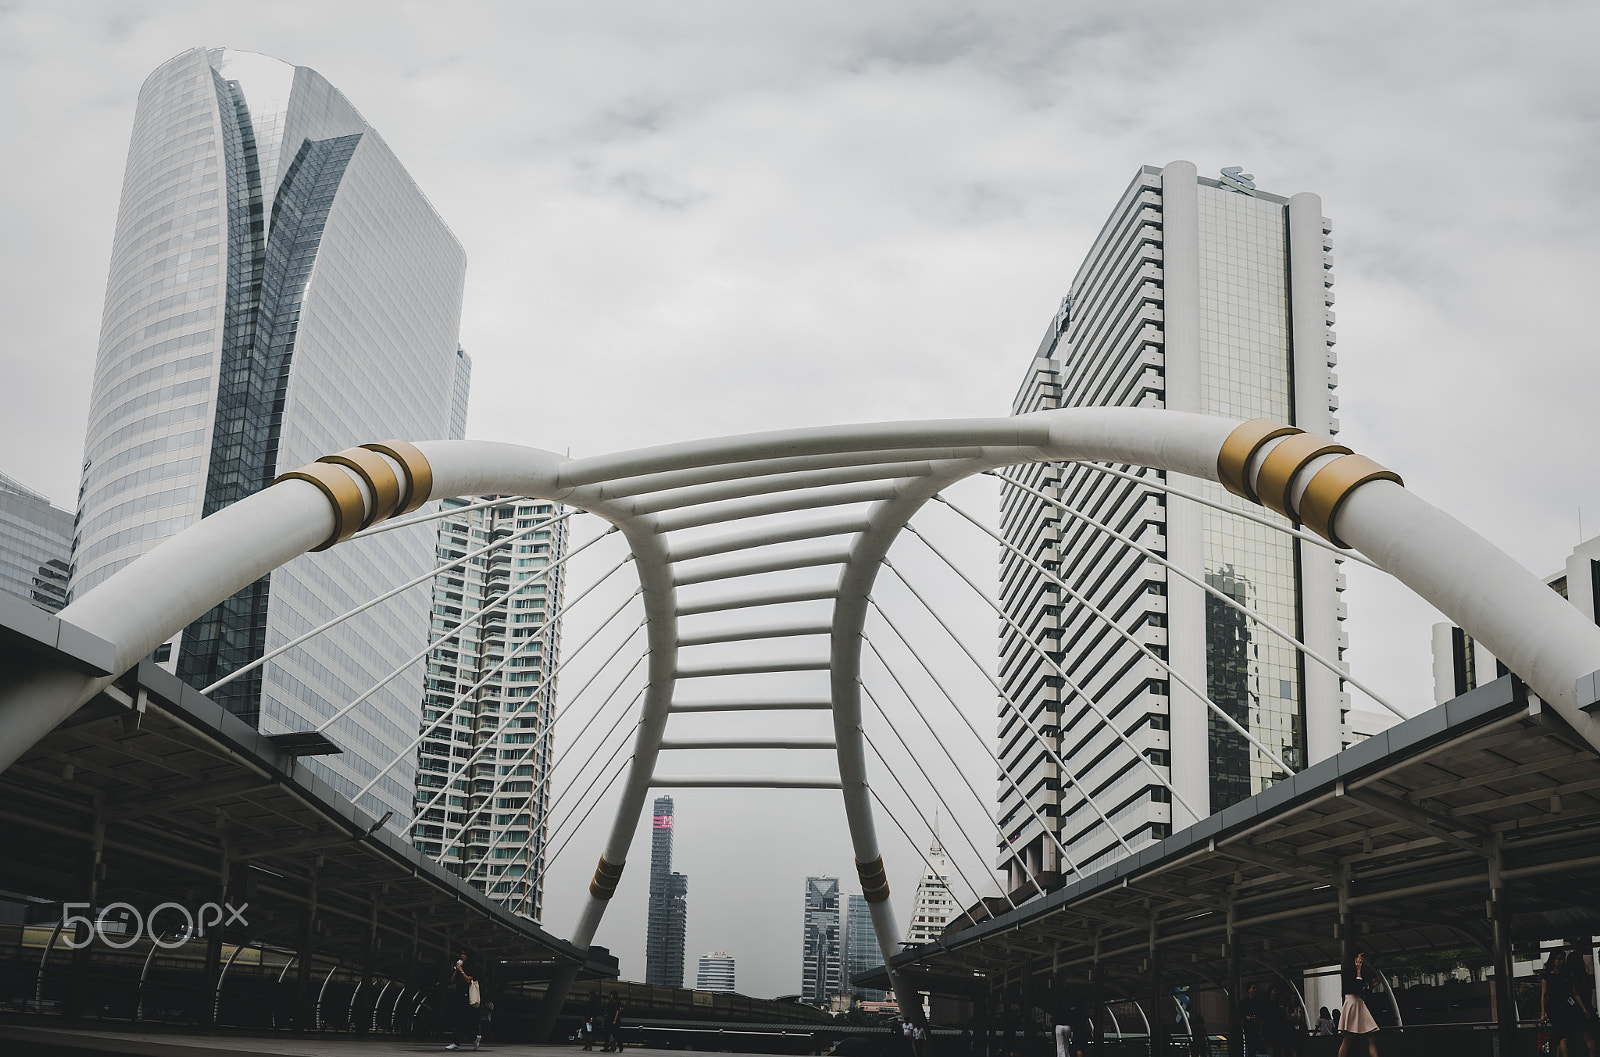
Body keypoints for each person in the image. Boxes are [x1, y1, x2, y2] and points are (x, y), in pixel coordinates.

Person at [1543, 950, 1591, 1057]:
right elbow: (1543, 995)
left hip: (1565, 1008)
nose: (1561, 962)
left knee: (1562, 1037)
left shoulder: (1565, 975)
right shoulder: (1548, 976)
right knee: (1564, 1037)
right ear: (1553, 960)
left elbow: (1575, 993)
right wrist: (1542, 1012)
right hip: (1555, 1009)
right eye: (1558, 959)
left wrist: (1583, 1008)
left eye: (1562, 959)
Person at [1337, 951, 1380, 1057]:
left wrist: (1371, 984)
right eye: (1361, 956)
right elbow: (1356, 988)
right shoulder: (1348, 970)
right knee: (1348, 1039)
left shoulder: (1361, 970)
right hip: (1353, 1002)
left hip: (1358, 1003)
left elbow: (1362, 989)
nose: (1362, 959)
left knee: (1371, 1038)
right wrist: (1359, 971)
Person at [444, 950, 481, 1052]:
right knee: (461, 1020)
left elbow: (469, 980)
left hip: (467, 996)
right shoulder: (460, 966)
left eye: (464, 954)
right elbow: (452, 980)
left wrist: (461, 970)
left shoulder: (472, 967)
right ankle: (473, 1038)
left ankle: (457, 1043)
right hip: (459, 995)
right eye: (461, 954)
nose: (462, 956)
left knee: (460, 1019)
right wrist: (456, 970)